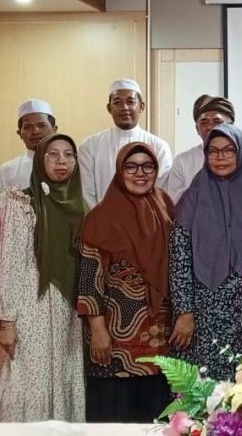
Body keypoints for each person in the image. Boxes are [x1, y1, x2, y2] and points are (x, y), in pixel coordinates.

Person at [0, 134, 87, 421]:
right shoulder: (22, 203)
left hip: (68, 310)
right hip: (30, 305)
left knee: (62, 374)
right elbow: (9, 263)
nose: (61, 161)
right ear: (40, 159)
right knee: (27, 377)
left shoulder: (82, 207)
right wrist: (6, 321)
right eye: (52, 154)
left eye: (68, 154)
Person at [76, 142, 174, 422]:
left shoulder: (165, 206)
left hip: (158, 334)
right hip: (114, 339)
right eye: (131, 166)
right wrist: (97, 329)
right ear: (120, 171)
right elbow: (88, 278)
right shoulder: (101, 216)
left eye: (148, 166)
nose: (140, 173)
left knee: (154, 414)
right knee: (113, 415)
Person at [168, 124, 242, 379]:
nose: (220, 157)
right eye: (213, 151)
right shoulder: (194, 194)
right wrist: (185, 312)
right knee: (203, 389)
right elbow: (179, 256)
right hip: (202, 309)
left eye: (229, 150)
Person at [79, 79, 173, 208]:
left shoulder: (159, 147)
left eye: (131, 102)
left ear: (141, 106)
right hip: (104, 222)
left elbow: (162, 191)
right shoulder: (90, 146)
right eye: (117, 102)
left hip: (146, 223)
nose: (124, 108)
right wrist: (100, 220)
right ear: (109, 108)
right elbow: (86, 192)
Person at [162, 94, 235, 204]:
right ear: (197, 129)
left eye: (217, 121)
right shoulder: (183, 161)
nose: (210, 127)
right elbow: (175, 205)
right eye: (204, 122)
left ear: (231, 127)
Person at [0, 98, 57, 203]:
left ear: (54, 130)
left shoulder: (69, 166)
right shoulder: (6, 171)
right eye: (28, 127)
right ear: (19, 134)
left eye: (42, 125)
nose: (35, 131)